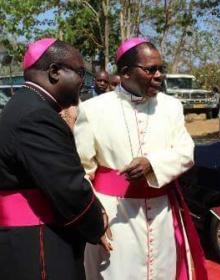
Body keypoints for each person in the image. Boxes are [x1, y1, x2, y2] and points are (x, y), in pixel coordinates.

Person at [74, 37, 207, 280]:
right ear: (125, 73)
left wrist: (152, 164)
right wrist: (94, 216)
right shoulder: (92, 109)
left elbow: (186, 152)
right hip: (114, 215)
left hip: (161, 212)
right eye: (150, 69)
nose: (159, 75)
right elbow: (83, 169)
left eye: (160, 69)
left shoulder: (171, 106)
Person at [0, 38, 109, 280]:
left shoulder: (26, 104)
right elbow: (69, 189)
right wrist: (97, 223)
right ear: (54, 72)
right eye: (81, 72)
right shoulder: (36, 115)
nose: (84, 81)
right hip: (38, 241)